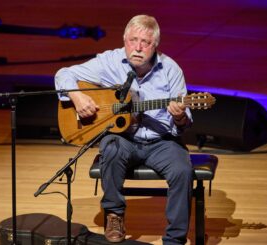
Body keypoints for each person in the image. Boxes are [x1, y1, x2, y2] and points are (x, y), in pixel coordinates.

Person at [55, 14, 193, 245]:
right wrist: (77, 96)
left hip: (162, 141)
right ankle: (114, 215)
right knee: (110, 147)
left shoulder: (171, 69)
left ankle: (175, 238)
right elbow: (63, 74)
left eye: (145, 42)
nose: (138, 48)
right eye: (133, 40)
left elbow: (185, 121)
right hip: (124, 138)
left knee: (182, 170)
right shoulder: (108, 61)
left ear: (155, 45)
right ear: (124, 40)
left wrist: (179, 115)